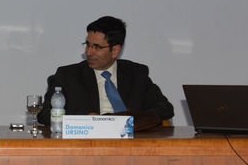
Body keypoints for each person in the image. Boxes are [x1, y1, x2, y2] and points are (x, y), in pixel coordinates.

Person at [38, 16, 174, 125]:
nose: (88, 52)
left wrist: (128, 120)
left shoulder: (136, 74)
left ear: (115, 50)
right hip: (87, 142)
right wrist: (82, 121)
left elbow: (164, 108)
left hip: (131, 143)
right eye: (88, 45)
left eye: (97, 47)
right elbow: (45, 114)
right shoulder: (68, 75)